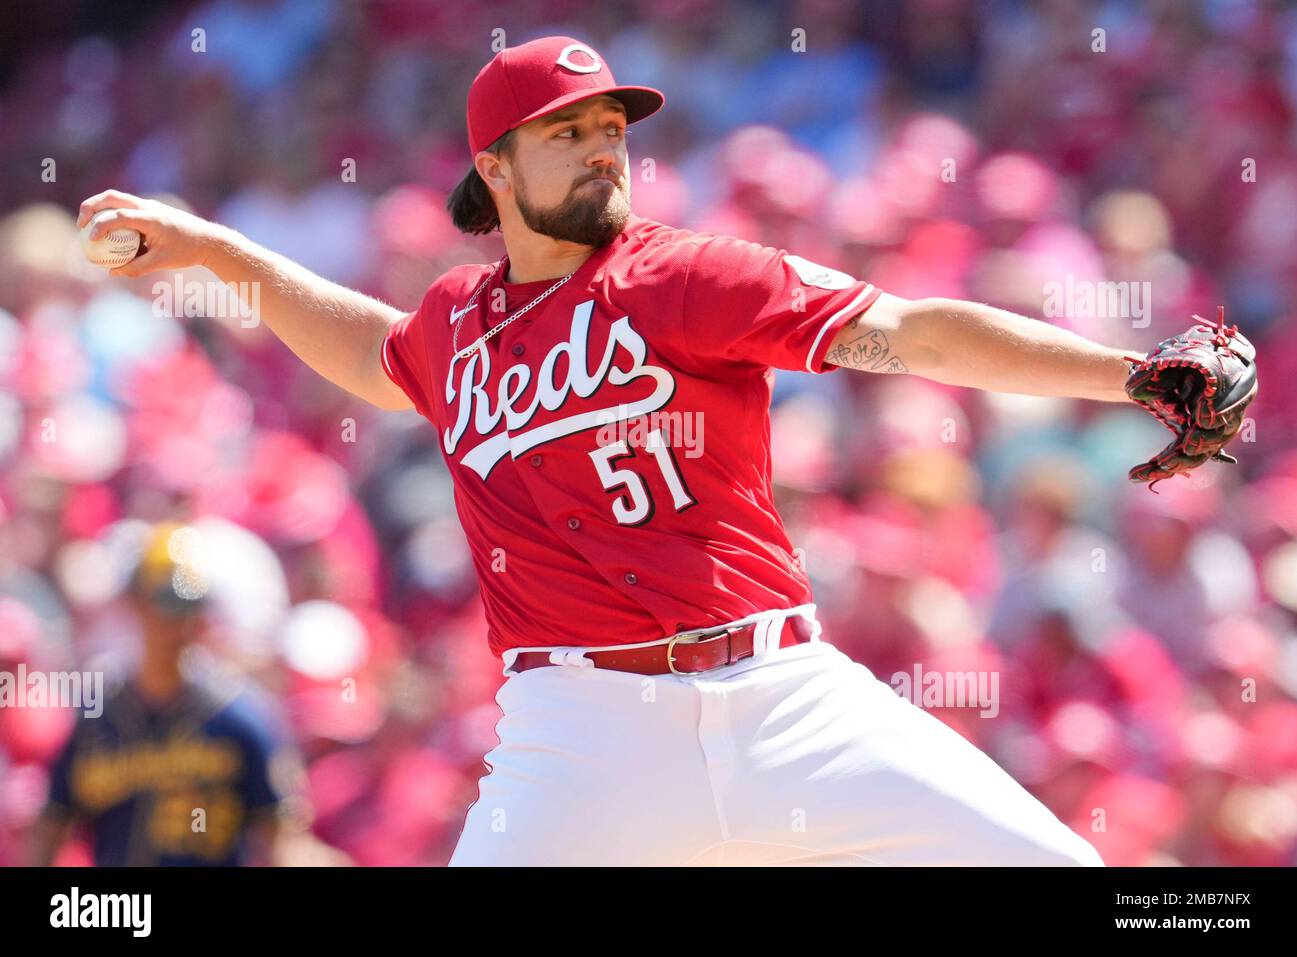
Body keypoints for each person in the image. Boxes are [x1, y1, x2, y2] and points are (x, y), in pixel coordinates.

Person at [74, 35, 1132, 865]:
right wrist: (222, 250)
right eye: (564, 132)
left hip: (783, 696)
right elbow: (369, 354)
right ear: (492, 168)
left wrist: (1127, 377)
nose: (599, 148)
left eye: (608, 129)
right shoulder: (454, 324)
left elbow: (911, 333)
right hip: (579, 735)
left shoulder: (688, 276)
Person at [31, 522, 343, 866]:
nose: (177, 620)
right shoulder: (98, 716)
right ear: (136, 602)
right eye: (166, 602)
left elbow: (280, 839)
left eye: (188, 604)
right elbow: (50, 831)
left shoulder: (240, 716)